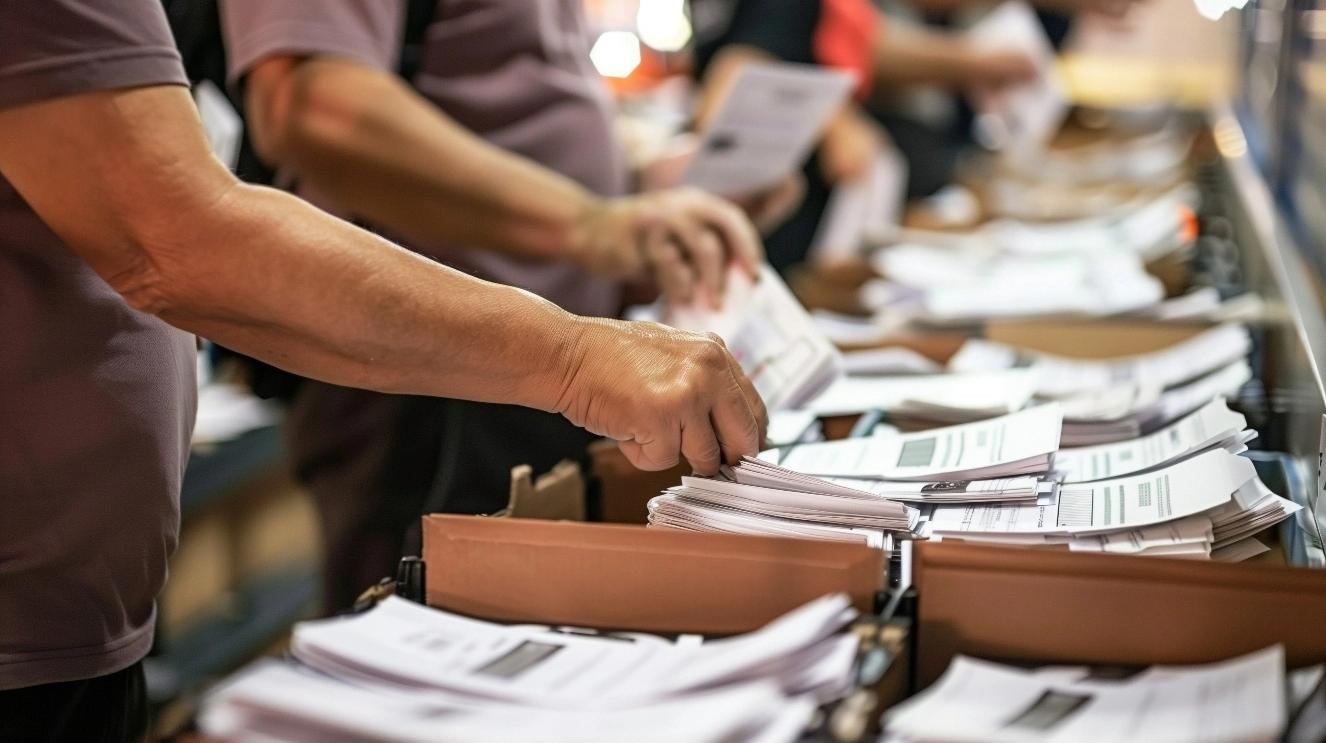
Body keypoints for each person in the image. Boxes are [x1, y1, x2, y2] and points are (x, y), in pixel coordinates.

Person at [0, 2, 766, 740]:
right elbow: (198, 207)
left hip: (71, 612)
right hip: (433, 393)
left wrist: (622, 199)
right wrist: (574, 346)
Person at [216, 0, 781, 613]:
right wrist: (590, 224)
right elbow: (314, 108)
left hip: (551, 369)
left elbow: (500, 104)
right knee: (421, 666)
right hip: (431, 380)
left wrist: (637, 192)